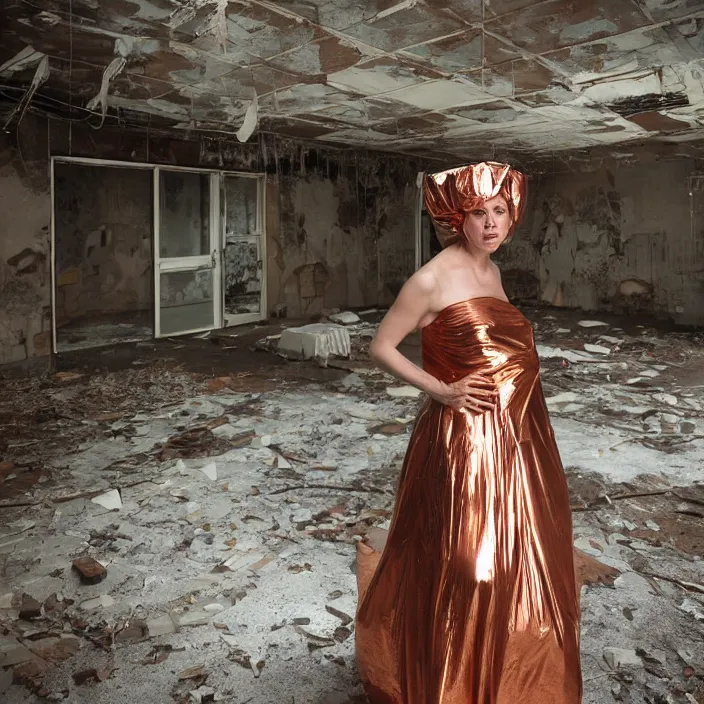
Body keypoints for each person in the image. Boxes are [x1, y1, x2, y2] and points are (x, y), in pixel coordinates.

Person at [354, 162, 592, 704]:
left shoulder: (493, 273)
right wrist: (440, 389)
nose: (490, 224)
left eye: (500, 212)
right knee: (469, 561)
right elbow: (381, 347)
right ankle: (451, 683)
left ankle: (512, 681)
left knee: (524, 556)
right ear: (457, 218)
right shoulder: (431, 278)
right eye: (478, 213)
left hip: (521, 436)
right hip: (465, 442)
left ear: (513, 215)